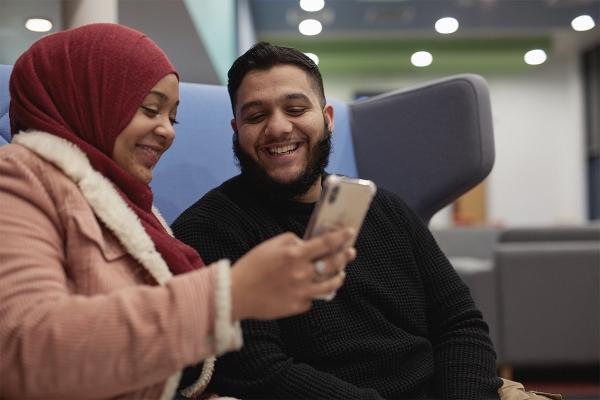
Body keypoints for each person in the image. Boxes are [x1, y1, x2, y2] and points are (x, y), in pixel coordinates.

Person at [0, 26, 355, 399]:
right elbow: (25, 352)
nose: (167, 131)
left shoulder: (135, 212)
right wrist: (229, 293)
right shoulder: (20, 177)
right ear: (88, 98)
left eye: (173, 117)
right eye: (150, 109)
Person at [172, 42, 504, 399]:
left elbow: (459, 322)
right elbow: (257, 371)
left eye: (296, 108)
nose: (279, 127)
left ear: (327, 118)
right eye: (256, 116)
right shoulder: (206, 231)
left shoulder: (385, 209)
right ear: (237, 130)